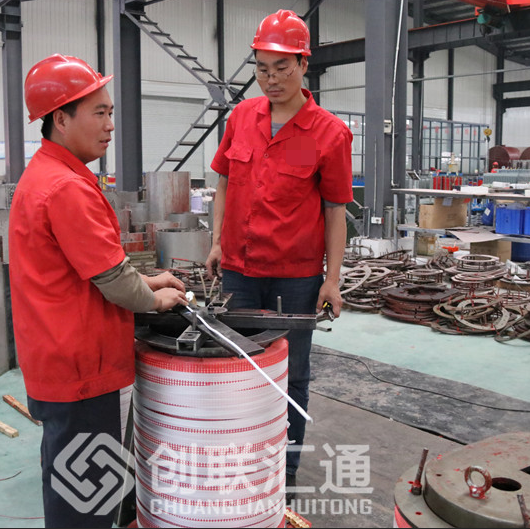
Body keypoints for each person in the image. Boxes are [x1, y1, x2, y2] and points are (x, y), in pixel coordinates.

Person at [9, 54, 187, 529]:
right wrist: (154, 298)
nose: (110, 125)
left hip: (59, 356)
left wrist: (146, 280)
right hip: (80, 367)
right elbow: (113, 281)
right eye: (100, 113)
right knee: (85, 502)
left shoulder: (48, 174)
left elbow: (86, 269)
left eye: (111, 112)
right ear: (61, 119)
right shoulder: (65, 187)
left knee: (78, 486)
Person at [204, 9, 352, 501]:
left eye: (282, 68)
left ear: (304, 64)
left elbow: (335, 211)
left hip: (296, 278)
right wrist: (217, 241)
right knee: (236, 367)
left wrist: (332, 279)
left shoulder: (330, 133)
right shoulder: (242, 118)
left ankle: (283, 474)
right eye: (262, 68)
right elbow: (224, 183)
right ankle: (240, 461)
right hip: (240, 272)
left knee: (292, 375)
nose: (271, 79)